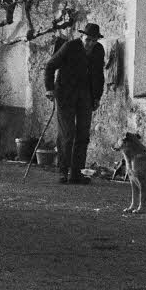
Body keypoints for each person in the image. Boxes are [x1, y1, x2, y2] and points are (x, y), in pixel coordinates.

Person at [43, 22, 105, 184]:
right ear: (81, 36)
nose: (90, 44)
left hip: (86, 95)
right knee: (68, 133)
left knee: (83, 134)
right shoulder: (70, 47)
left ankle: (76, 173)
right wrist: (49, 89)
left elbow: (99, 75)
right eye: (88, 40)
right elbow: (50, 66)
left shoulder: (98, 51)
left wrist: (97, 97)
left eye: (94, 40)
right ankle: (63, 171)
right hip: (65, 94)